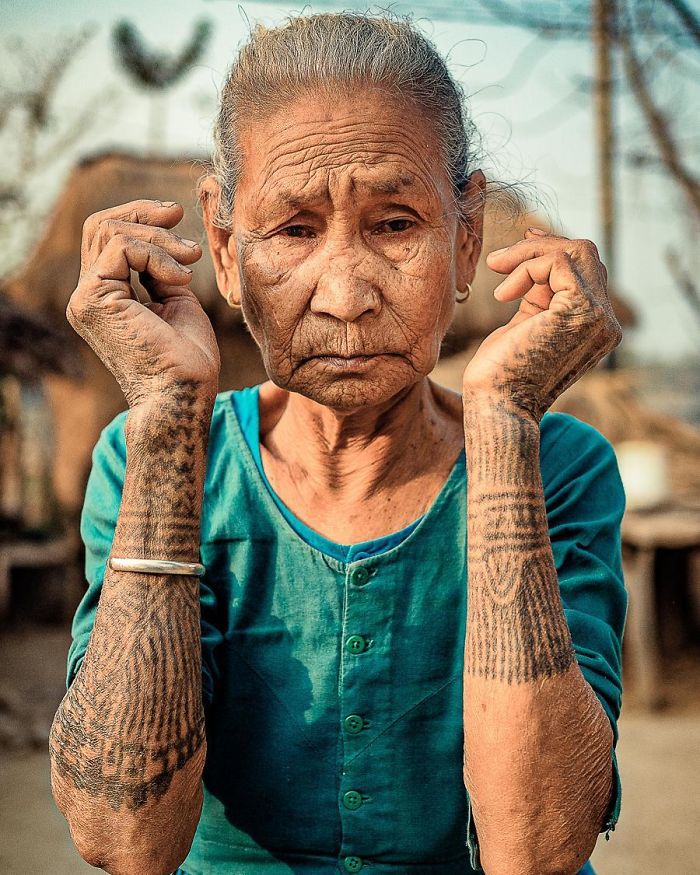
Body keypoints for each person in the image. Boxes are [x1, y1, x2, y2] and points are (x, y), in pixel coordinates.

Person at [48, 12, 626, 875]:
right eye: (293, 230)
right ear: (224, 247)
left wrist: (503, 422)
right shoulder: (153, 460)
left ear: (467, 236)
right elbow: (124, 840)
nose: (347, 294)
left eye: (398, 224)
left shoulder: (559, 467)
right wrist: (169, 410)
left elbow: (535, 850)